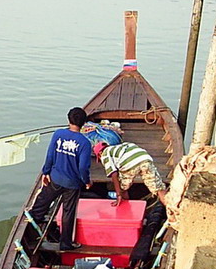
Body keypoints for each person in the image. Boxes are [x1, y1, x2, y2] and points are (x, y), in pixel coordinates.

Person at [29, 107, 92, 251]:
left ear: (68, 120)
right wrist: (87, 181)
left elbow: (50, 155)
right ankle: (66, 244)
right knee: (68, 212)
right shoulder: (85, 143)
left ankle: (31, 229)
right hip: (73, 184)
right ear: (83, 123)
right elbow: (83, 168)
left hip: (55, 179)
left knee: (41, 203)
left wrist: (46, 172)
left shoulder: (58, 134)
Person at [93, 141, 167, 207]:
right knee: (158, 188)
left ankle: (124, 207)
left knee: (122, 188)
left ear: (100, 153)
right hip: (145, 159)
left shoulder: (105, 154)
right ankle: (170, 208)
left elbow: (114, 173)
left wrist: (118, 194)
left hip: (129, 164)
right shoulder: (123, 146)